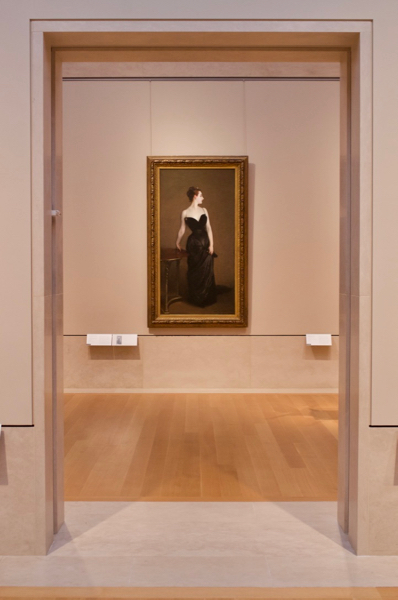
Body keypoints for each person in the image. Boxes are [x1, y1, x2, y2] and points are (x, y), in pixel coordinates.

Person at [176, 186, 217, 307]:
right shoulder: (185, 212)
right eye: (201, 196)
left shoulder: (204, 210)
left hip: (205, 242)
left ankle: (206, 297)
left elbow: (209, 228)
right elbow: (182, 230)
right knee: (195, 270)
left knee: (207, 268)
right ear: (195, 196)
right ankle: (196, 298)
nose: (203, 198)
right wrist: (177, 242)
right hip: (194, 244)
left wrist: (212, 245)